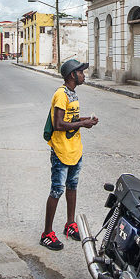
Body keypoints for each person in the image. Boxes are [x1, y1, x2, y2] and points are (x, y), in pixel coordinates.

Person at [41, 59, 98, 250]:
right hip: (61, 151)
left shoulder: (72, 94)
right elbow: (58, 124)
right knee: (57, 190)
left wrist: (85, 120)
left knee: (72, 187)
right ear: (72, 75)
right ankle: (47, 233)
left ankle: (70, 225)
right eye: (81, 72)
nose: (84, 75)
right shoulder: (61, 95)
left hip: (75, 149)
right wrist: (82, 124)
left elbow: (70, 119)